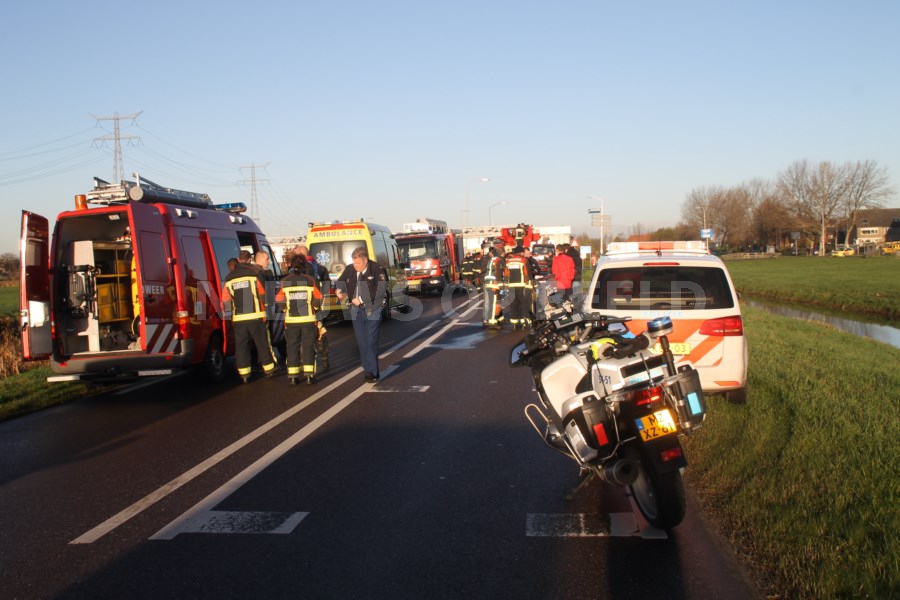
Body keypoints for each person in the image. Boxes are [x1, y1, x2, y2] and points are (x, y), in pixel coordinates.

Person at [334, 247, 388, 383]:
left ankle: (372, 372)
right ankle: (367, 368)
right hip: (355, 310)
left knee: (370, 340)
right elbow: (340, 281)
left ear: (366, 261)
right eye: (354, 263)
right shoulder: (350, 269)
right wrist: (339, 289)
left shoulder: (377, 270)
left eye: (358, 263)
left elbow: (381, 290)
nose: (356, 266)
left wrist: (362, 299)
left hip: (372, 308)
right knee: (362, 342)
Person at [222, 256, 278, 383]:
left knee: (241, 346)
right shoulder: (253, 274)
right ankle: (269, 369)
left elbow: (225, 299)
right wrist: (265, 309)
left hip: (239, 319)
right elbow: (262, 294)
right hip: (256, 316)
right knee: (262, 343)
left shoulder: (229, 279)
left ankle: (244, 374)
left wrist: (231, 313)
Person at [276, 256, 323, 385]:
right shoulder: (310, 280)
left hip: (291, 321)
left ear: (292, 265)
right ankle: (309, 376)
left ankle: (293, 376)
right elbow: (319, 297)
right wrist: (315, 308)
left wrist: (285, 308)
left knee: (292, 347)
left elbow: (279, 298)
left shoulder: (285, 281)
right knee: (308, 347)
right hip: (308, 320)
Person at [294, 244, 330, 371]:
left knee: (301, 335)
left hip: (301, 307)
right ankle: (324, 359)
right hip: (316, 306)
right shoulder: (319, 267)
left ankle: (304, 361)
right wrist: (320, 299)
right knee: (319, 333)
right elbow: (326, 285)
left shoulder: (299, 269)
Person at [504, 246, 534, 330]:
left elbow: (506, 274)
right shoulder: (524, 260)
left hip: (511, 286)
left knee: (513, 304)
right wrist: (530, 286)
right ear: (521, 252)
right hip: (521, 285)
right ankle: (523, 322)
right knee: (523, 304)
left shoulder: (508, 261)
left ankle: (515, 324)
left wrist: (506, 285)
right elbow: (527, 274)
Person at [481, 239, 506, 328]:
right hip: (494, 283)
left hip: (487, 282)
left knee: (489, 302)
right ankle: (492, 322)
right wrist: (500, 287)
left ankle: (493, 318)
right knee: (495, 302)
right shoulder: (499, 260)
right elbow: (499, 273)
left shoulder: (491, 259)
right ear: (502, 253)